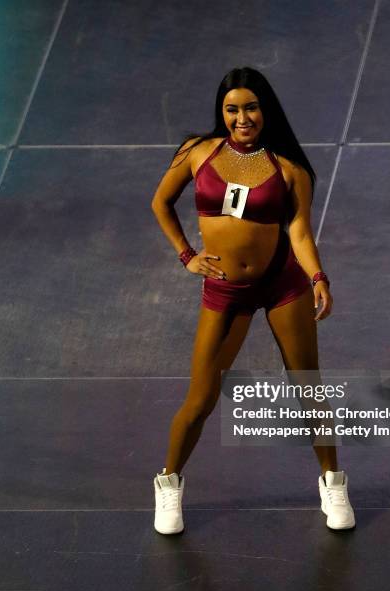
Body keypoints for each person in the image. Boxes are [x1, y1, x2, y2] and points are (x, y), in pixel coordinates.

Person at [150, 67, 355, 534]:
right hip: (225, 289)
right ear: (221, 112)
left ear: (266, 110)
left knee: (309, 388)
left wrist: (318, 276)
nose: (242, 118)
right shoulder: (196, 153)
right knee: (201, 399)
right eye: (232, 109)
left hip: (283, 285)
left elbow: (299, 231)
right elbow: (160, 202)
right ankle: (168, 483)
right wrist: (186, 255)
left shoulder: (289, 169)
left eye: (251, 107)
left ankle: (333, 482)